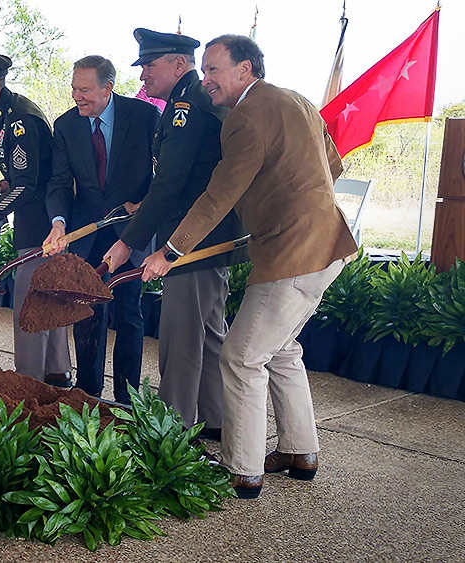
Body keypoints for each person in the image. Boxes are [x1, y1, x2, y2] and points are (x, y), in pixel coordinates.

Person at [138, 35, 357, 499]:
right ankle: (301, 452)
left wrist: (169, 252)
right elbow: (331, 166)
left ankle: (242, 468)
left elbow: (220, 194)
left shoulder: (245, 117)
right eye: (206, 70)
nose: (207, 79)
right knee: (281, 350)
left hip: (292, 255)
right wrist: (286, 203)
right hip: (327, 243)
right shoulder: (294, 99)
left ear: (245, 70)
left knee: (241, 357)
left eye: (215, 70)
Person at [101, 29, 246, 439]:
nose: (144, 73)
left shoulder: (186, 104)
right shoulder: (189, 101)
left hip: (190, 239)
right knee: (208, 333)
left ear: (180, 64)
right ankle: (215, 420)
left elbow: (170, 181)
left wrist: (129, 239)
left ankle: (171, 428)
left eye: (150, 64)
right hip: (207, 236)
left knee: (182, 336)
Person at [42, 56, 159, 404]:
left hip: (132, 230)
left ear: (108, 88)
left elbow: (162, 176)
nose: (77, 96)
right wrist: (58, 222)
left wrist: (144, 207)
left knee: (128, 312)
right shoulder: (65, 126)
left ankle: (127, 399)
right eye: (74, 88)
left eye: (85, 90)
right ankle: (88, 392)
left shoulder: (143, 117)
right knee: (86, 312)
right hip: (87, 233)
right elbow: (60, 181)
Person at [0, 53, 72, 385]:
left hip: (41, 221)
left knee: (31, 301)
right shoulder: (3, 112)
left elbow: (28, 186)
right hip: (36, 215)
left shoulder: (19, 118)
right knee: (48, 295)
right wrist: (10, 181)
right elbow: (20, 174)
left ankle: (30, 379)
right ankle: (56, 372)